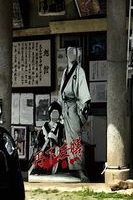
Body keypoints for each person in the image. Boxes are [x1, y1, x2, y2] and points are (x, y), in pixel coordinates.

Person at [58, 46, 91, 179]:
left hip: (73, 107)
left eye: (73, 52)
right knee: (67, 139)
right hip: (65, 107)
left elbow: (84, 94)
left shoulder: (79, 71)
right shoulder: (66, 71)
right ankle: (71, 167)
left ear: (76, 55)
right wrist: (59, 107)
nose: (70, 55)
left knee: (75, 139)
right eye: (68, 53)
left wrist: (83, 108)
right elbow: (61, 93)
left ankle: (79, 169)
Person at [31, 102, 66, 174]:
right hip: (45, 155)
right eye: (53, 113)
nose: (55, 115)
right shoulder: (44, 127)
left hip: (57, 156)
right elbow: (39, 144)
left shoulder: (61, 127)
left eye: (57, 113)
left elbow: (63, 143)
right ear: (50, 114)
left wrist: (55, 139)